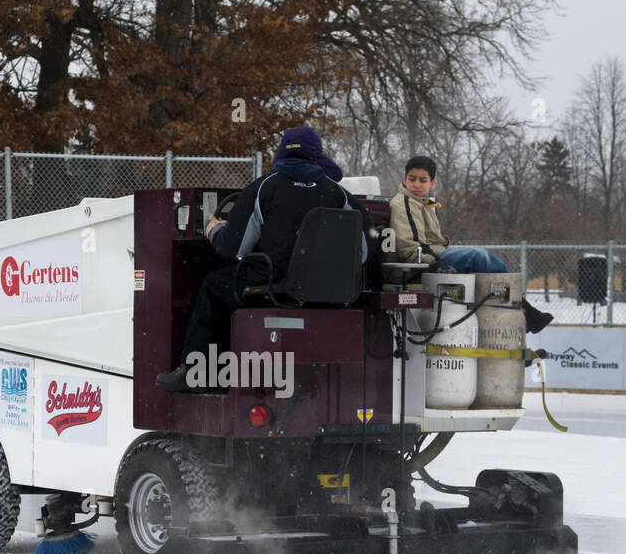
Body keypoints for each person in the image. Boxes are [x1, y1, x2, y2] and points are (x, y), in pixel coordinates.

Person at [155, 126, 373, 393]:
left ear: (283, 152)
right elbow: (363, 248)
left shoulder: (266, 187)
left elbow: (233, 247)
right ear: (316, 154)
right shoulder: (339, 194)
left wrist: (214, 229)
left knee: (214, 285)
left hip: (273, 283)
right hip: (329, 291)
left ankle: (197, 372)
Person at [386, 155, 553, 333]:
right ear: (404, 179)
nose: (416, 184)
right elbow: (411, 249)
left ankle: (512, 313)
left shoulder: (423, 203)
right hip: (413, 270)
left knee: (489, 265)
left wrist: (440, 258)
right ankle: (525, 312)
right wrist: (437, 264)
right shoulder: (403, 203)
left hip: (428, 261)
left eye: (422, 180)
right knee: (478, 257)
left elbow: (433, 243)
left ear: (432, 183)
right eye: (412, 179)